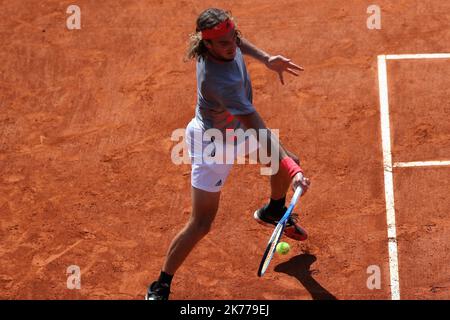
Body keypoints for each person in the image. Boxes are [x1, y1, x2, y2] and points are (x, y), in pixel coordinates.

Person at [145, 8, 311, 300]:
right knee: (201, 223)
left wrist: (265, 59)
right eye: (222, 43)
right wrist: (294, 173)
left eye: (231, 36)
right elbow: (257, 128)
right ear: (206, 44)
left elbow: (238, 41)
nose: (231, 45)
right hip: (213, 143)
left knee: (287, 162)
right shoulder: (218, 80)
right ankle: (161, 285)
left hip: (236, 130)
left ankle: (273, 210)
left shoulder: (224, 41)